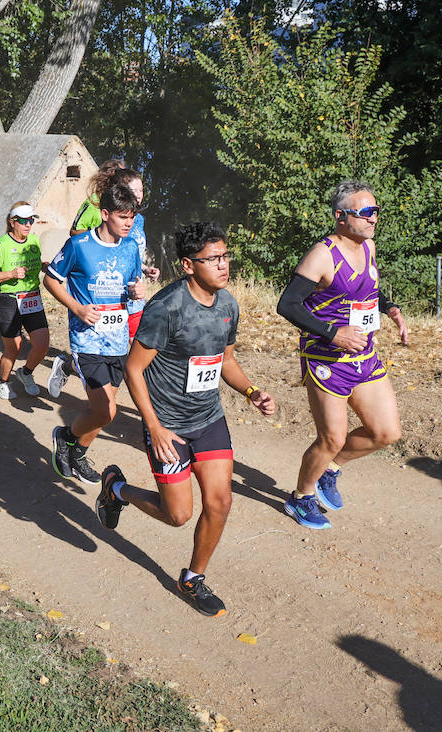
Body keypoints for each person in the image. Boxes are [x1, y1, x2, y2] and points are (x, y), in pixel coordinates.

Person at [97, 222, 277, 617]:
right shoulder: (167, 308)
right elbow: (133, 369)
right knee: (178, 515)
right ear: (188, 265)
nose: (223, 264)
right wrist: (155, 427)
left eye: (225, 256)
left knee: (221, 501)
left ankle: (193, 578)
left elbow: (226, 361)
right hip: (168, 425)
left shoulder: (228, 305)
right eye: (213, 259)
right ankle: (118, 490)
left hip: (208, 418)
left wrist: (251, 392)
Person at [275, 179, 409, 530]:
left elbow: (370, 291)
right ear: (340, 216)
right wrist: (333, 333)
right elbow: (287, 304)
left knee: (386, 432)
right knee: (332, 437)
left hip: (364, 355)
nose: (373, 218)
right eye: (365, 212)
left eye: (375, 211)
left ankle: (329, 470)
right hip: (326, 358)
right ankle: (301, 497)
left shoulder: (369, 247)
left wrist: (391, 309)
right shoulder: (322, 254)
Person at [43, 182, 145, 484]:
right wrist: (77, 308)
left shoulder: (130, 247)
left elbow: (129, 290)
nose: (128, 223)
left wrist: (136, 291)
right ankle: (65, 436)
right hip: (87, 338)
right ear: (104, 214)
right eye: (122, 217)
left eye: (132, 217)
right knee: (107, 410)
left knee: (101, 412)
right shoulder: (79, 246)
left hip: (117, 340)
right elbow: (50, 280)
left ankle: (77, 452)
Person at [0, 202, 50, 399]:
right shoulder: (2, 245)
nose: (28, 224)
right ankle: (2, 381)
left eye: (31, 220)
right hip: (8, 300)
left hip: (31, 297)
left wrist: (45, 267)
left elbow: (37, 264)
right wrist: (11, 273)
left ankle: (25, 373)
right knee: (15, 346)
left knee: (42, 344)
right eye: (24, 221)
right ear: (13, 222)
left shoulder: (34, 241)